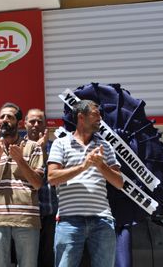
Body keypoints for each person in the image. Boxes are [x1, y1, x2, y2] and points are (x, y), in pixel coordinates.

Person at [48, 100, 123, 267]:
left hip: (102, 220)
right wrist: (84, 166)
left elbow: (119, 183)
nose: (100, 118)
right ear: (81, 117)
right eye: (96, 114)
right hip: (69, 221)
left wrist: (100, 165)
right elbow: (52, 177)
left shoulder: (105, 146)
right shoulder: (61, 143)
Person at [0, 103, 43, 267]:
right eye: (2, 117)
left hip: (27, 219)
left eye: (9, 117)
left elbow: (37, 184)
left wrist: (20, 160)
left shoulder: (33, 147)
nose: (4, 120)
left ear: (19, 123)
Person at [24, 109, 57, 267]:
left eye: (40, 122)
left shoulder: (55, 148)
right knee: (28, 261)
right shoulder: (19, 147)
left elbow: (53, 179)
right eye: (32, 121)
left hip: (50, 214)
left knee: (49, 260)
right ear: (25, 124)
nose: (36, 125)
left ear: (46, 126)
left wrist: (43, 150)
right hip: (27, 216)